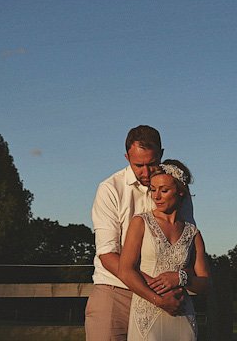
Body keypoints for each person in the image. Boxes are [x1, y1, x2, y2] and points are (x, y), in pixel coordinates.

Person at [86, 125, 194, 341]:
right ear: (127, 157)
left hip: (168, 296)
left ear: (162, 154)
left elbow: (187, 241)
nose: (146, 172)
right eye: (138, 165)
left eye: (152, 164)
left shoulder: (178, 190)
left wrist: (177, 282)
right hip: (115, 293)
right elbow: (107, 254)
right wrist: (155, 291)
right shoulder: (110, 189)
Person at [118, 160, 209, 341]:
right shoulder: (140, 223)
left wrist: (181, 278)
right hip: (148, 313)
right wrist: (158, 301)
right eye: (153, 189)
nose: (156, 196)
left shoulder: (193, 233)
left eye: (164, 190)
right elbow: (125, 270)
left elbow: (205, 283)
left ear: (180, 191)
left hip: (182, 314)